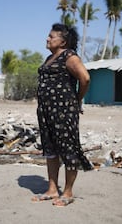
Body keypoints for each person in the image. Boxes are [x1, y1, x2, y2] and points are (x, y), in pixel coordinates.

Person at [32, 23, 93, 207]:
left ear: (63, 41)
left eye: (52, 36)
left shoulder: (70, 56)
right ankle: (52, 189)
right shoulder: (50, 57)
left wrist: (77, 100)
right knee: (50, 149)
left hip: (64, 111)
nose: (47, 39)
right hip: (46, 111)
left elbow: (85, 78)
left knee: (68, 148)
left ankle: (67, 192)